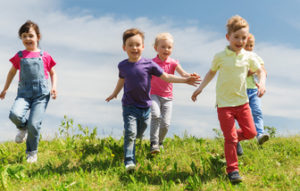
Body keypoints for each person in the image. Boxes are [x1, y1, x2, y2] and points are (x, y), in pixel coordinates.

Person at [106, 28, 200, 172]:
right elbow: (121, 80)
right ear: (124, 47)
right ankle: (129, 161)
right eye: (130, 45)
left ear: (143, 47)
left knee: (139, 132)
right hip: (129, 105)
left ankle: (133, 138)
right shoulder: (123, 65)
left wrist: (185, 79)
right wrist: (114, 93)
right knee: (131, 133)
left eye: (137, 44)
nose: (134, 48)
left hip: (145, 106)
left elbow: (167, 77)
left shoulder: (149, 65)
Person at [191, 15, 266, 183]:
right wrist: (200, 88)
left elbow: (260, 70)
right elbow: (211, 72)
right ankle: (233, 170)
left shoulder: (249, 56)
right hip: (224, 105)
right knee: (230, 138)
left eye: (243, 37)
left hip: (243, 103)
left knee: (251, 133)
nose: (240, 41)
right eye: (236, 37)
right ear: (228, 37)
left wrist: (261, 83)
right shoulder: (220, 56)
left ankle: (233, 138)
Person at [0, 20, 57, 163]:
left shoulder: (45, 55)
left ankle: (31, 152)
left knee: (35, 124)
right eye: (24, 36)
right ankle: (22, 127)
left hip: (41, 95)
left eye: (30, 35)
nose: (27, 39)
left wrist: (54, 87)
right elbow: (12, 73)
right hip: (24, 94)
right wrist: (5, 88)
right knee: (14, 114)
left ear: (38, 37)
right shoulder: (19, 56)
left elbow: (53, 73)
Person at [150, 32, 198, 154]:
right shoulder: (151, 63)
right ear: (156, 48)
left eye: (169, 47)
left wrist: (190, 76)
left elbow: (183, 74)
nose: (166, 49)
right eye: (163, 47)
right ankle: (153, 143)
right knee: (155, 115)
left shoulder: (173, 63)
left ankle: (160, 142)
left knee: (165, 124)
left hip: (167, 97)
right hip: (153, 94)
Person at [237, 34, 269, 156]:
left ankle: (260, 135)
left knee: (257, 111)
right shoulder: (238, 57)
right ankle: (236, 137)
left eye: (251, 45)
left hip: (253, 90)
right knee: (241, 116)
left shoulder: (256, 57)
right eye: (247, 46)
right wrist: (251, 71)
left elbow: (263, 71)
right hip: (240, 90)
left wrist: (262, 84)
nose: (249, 48)